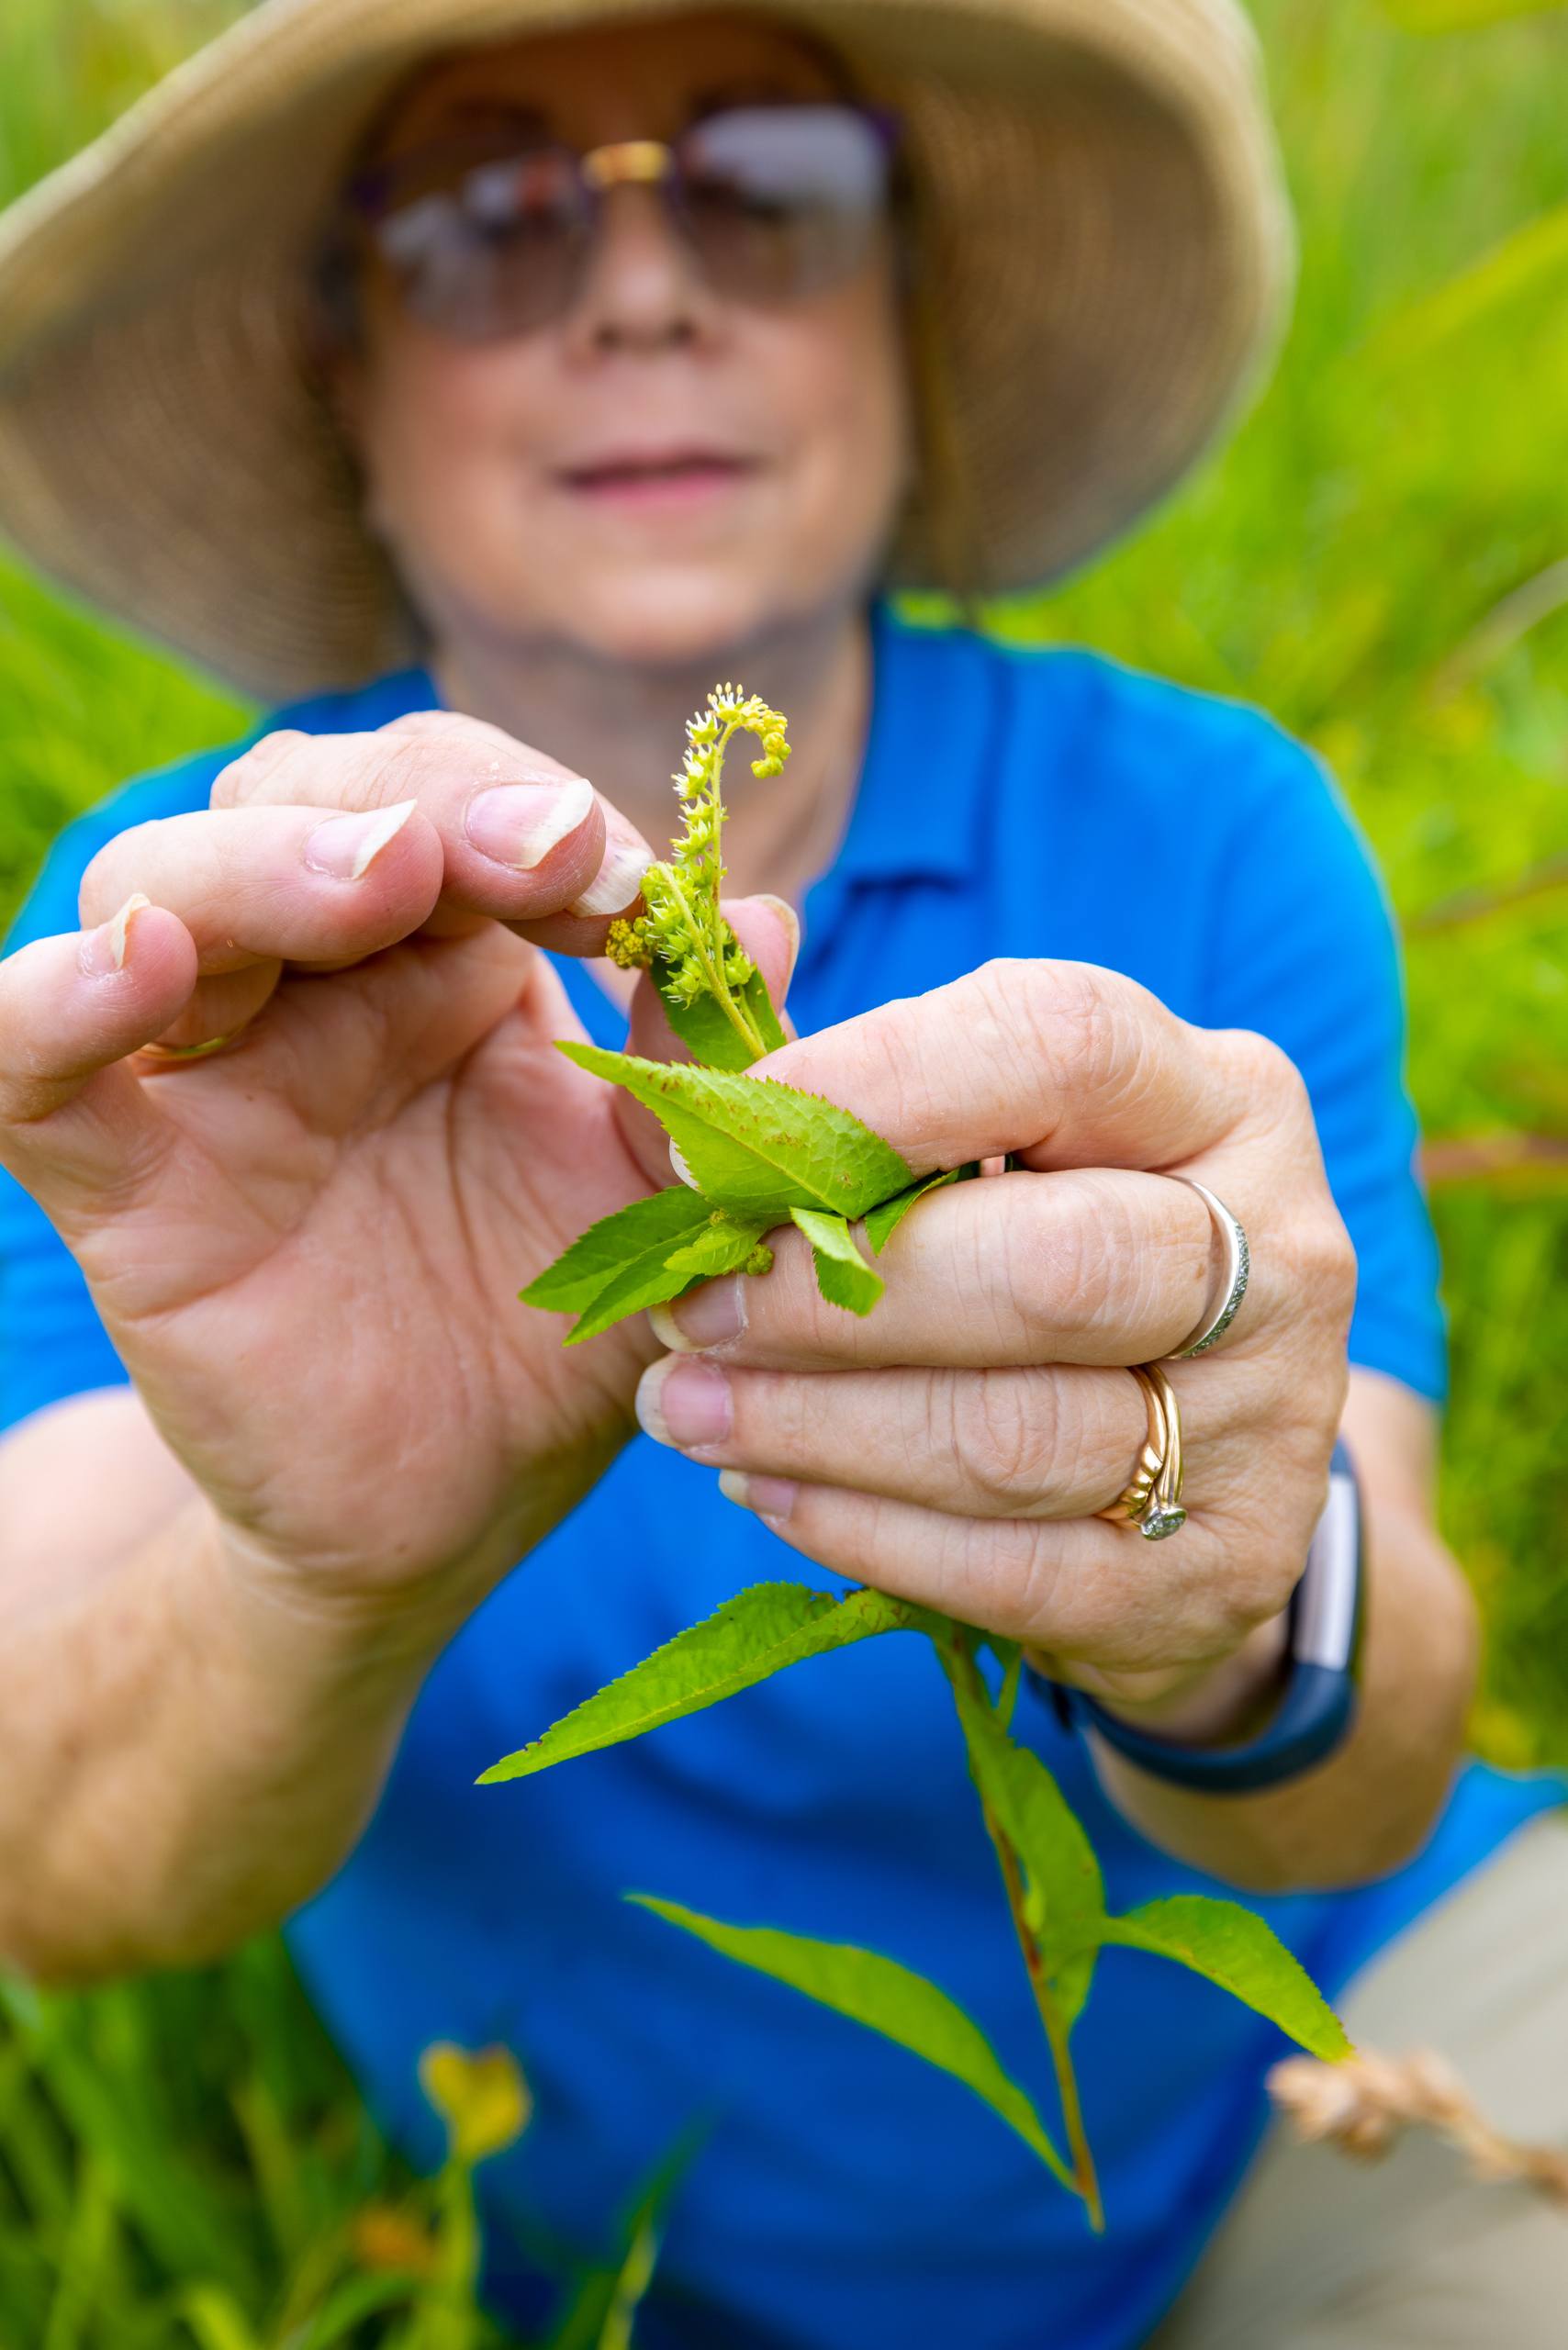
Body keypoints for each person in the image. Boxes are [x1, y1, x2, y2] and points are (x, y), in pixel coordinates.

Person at [0, 0, 1562, 2342]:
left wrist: (1235, 1586)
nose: (643, 294)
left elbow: (1365, 1752)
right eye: (494, 220)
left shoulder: (1203, 833)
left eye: (767, 194)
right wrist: (320, 1565)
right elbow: (50, 1852)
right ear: (348, 382)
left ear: (900, 316)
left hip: (1338, 2075)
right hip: (651, 2278)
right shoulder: (174, 948)